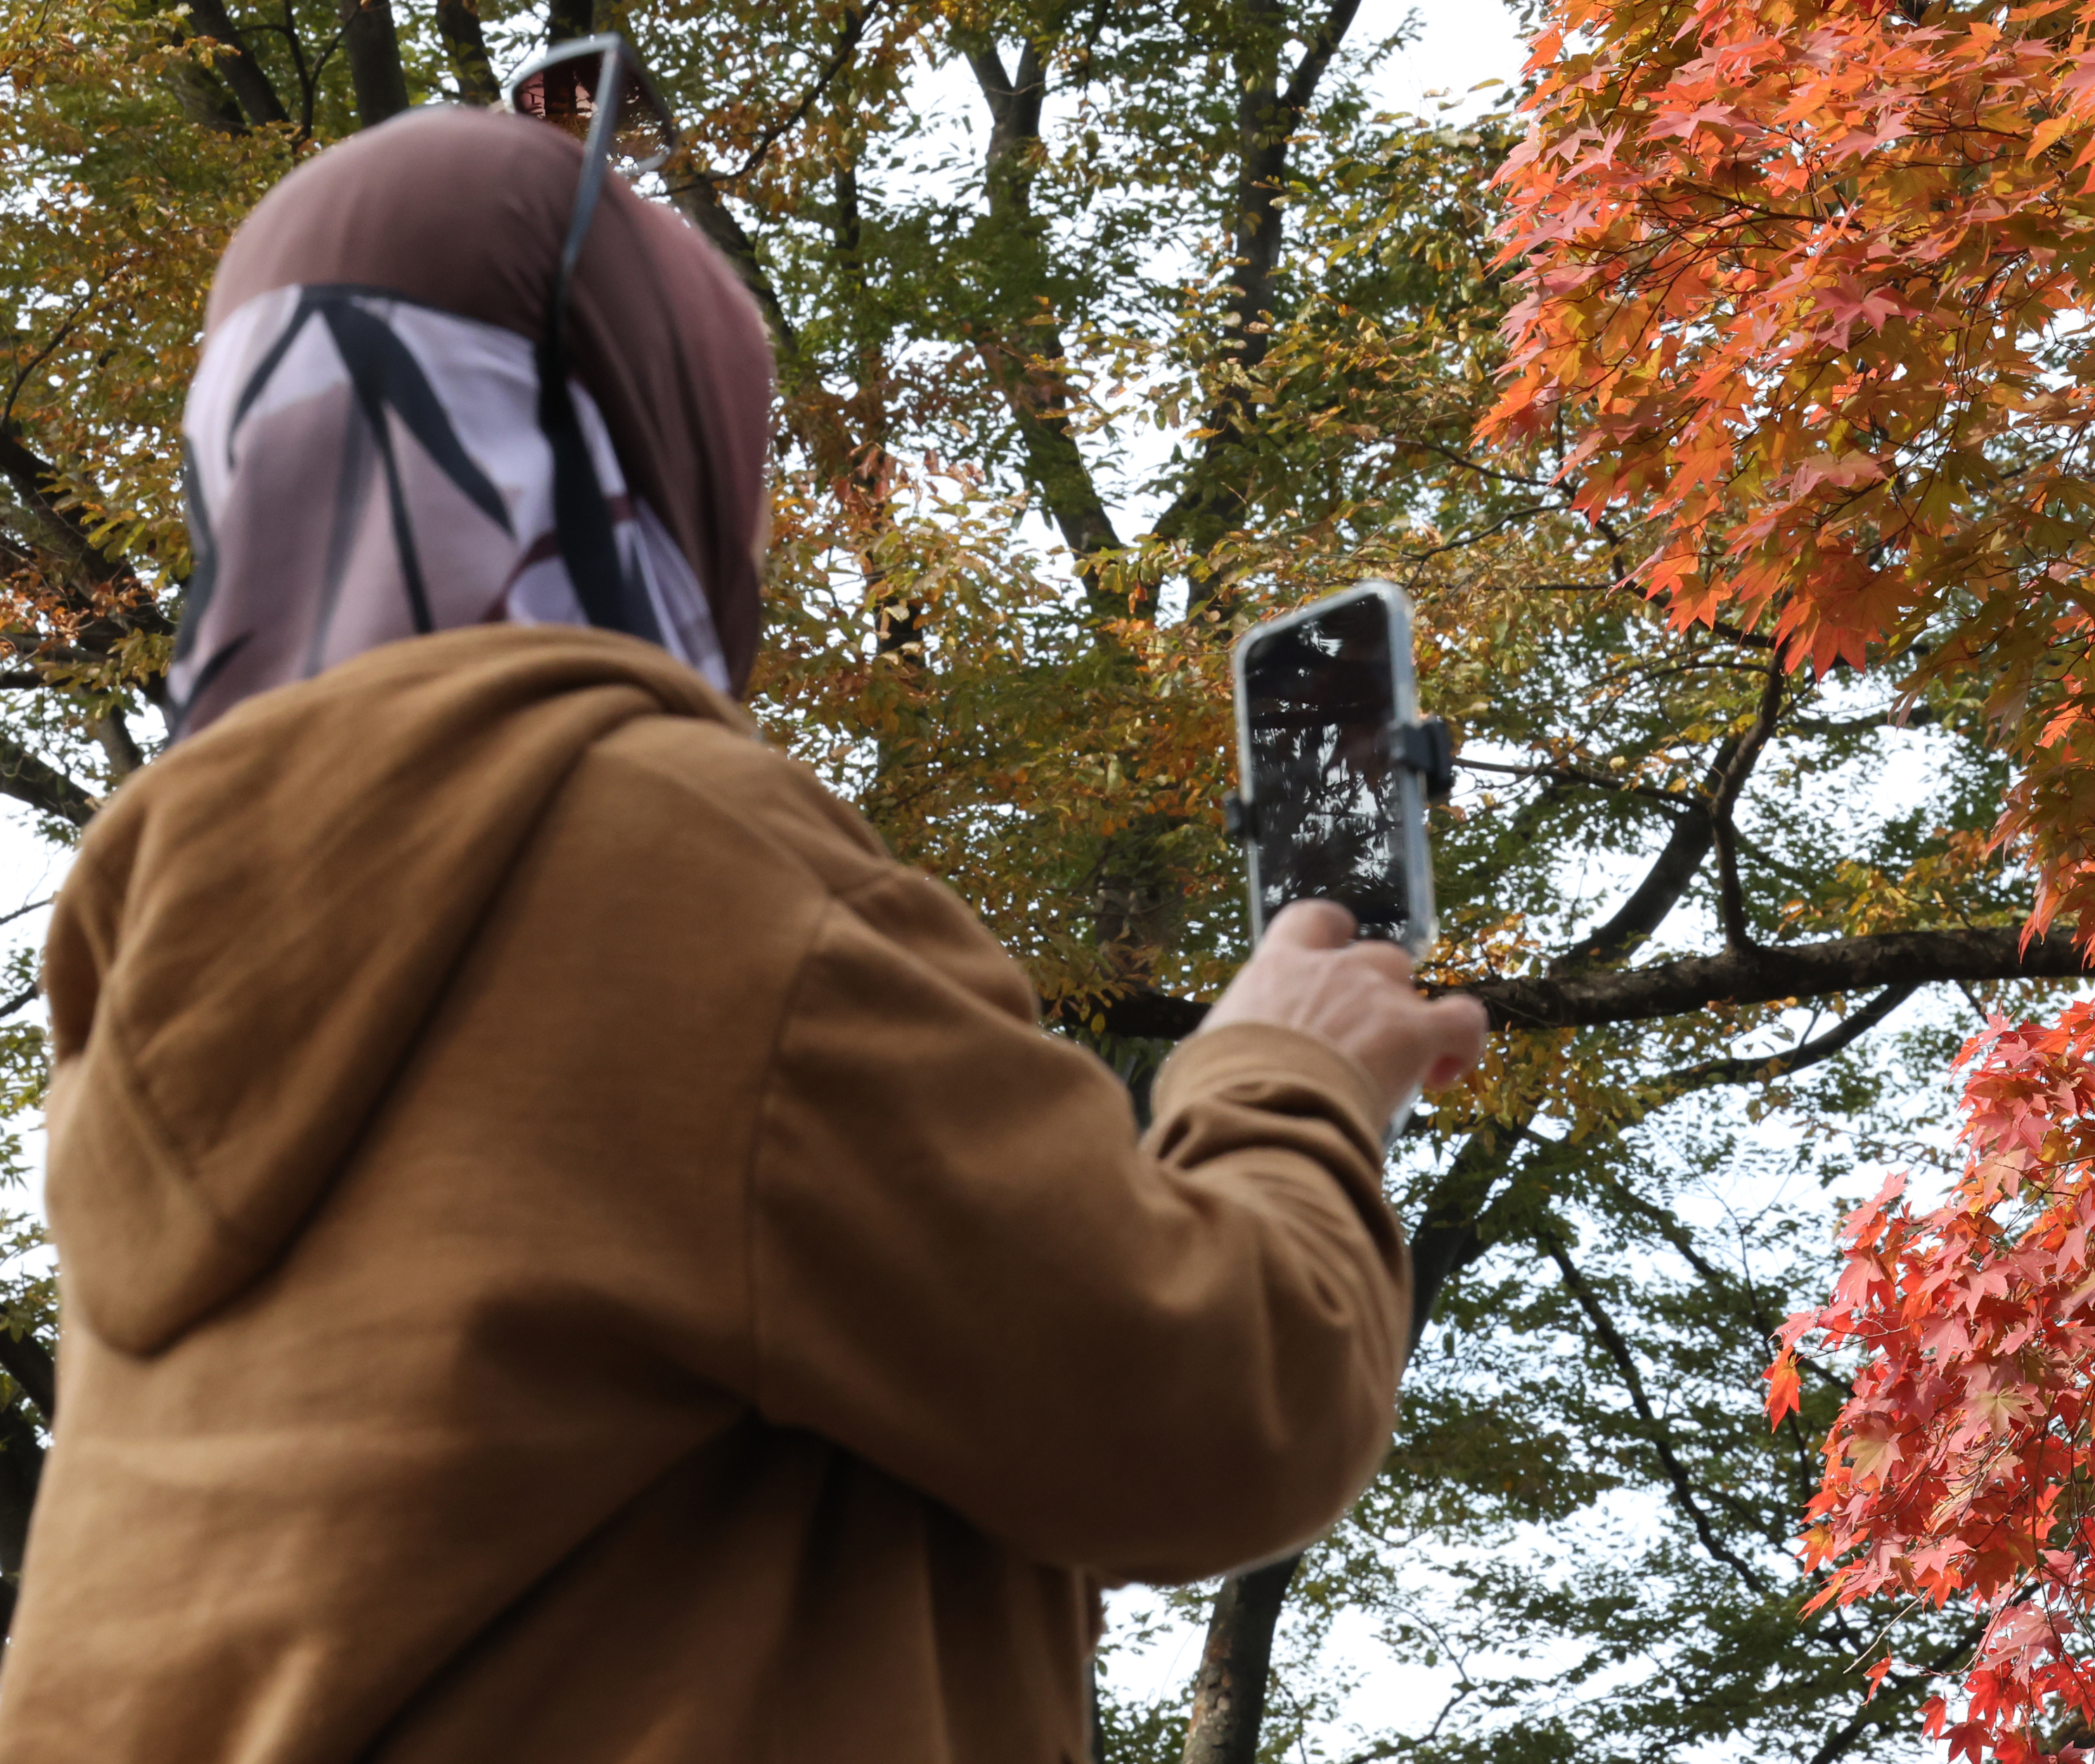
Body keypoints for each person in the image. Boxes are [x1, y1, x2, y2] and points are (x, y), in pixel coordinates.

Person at [0, 106, 1485, 1762]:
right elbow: (1212, 1404)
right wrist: (1288, 1078)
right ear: (652, 447)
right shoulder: (640, 839)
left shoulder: (168, 977)